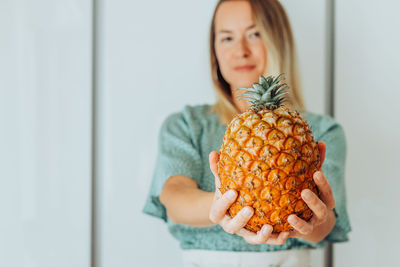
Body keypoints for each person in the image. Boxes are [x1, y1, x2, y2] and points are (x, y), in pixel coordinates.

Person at [143, 0, 351, 266]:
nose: (240, 50)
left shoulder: (320, 131)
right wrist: (226, 206)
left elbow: (326, 223)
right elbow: (173, 196)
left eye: (255, 34)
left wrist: (316, 220)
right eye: (227, 37)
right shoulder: (186, 124)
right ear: (214, 51)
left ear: (278, 40)